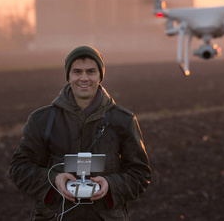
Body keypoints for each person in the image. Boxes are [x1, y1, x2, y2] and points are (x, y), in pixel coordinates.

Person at [9, 45, 151, 221]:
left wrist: (110, 184)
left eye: (91, 71)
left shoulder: (123, 120)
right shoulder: (42, 120)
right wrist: (54, 180)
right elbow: (19, 168)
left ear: (100, 76)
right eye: (77, 72)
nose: (84, 78)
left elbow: (140, 173)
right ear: (68, 76)